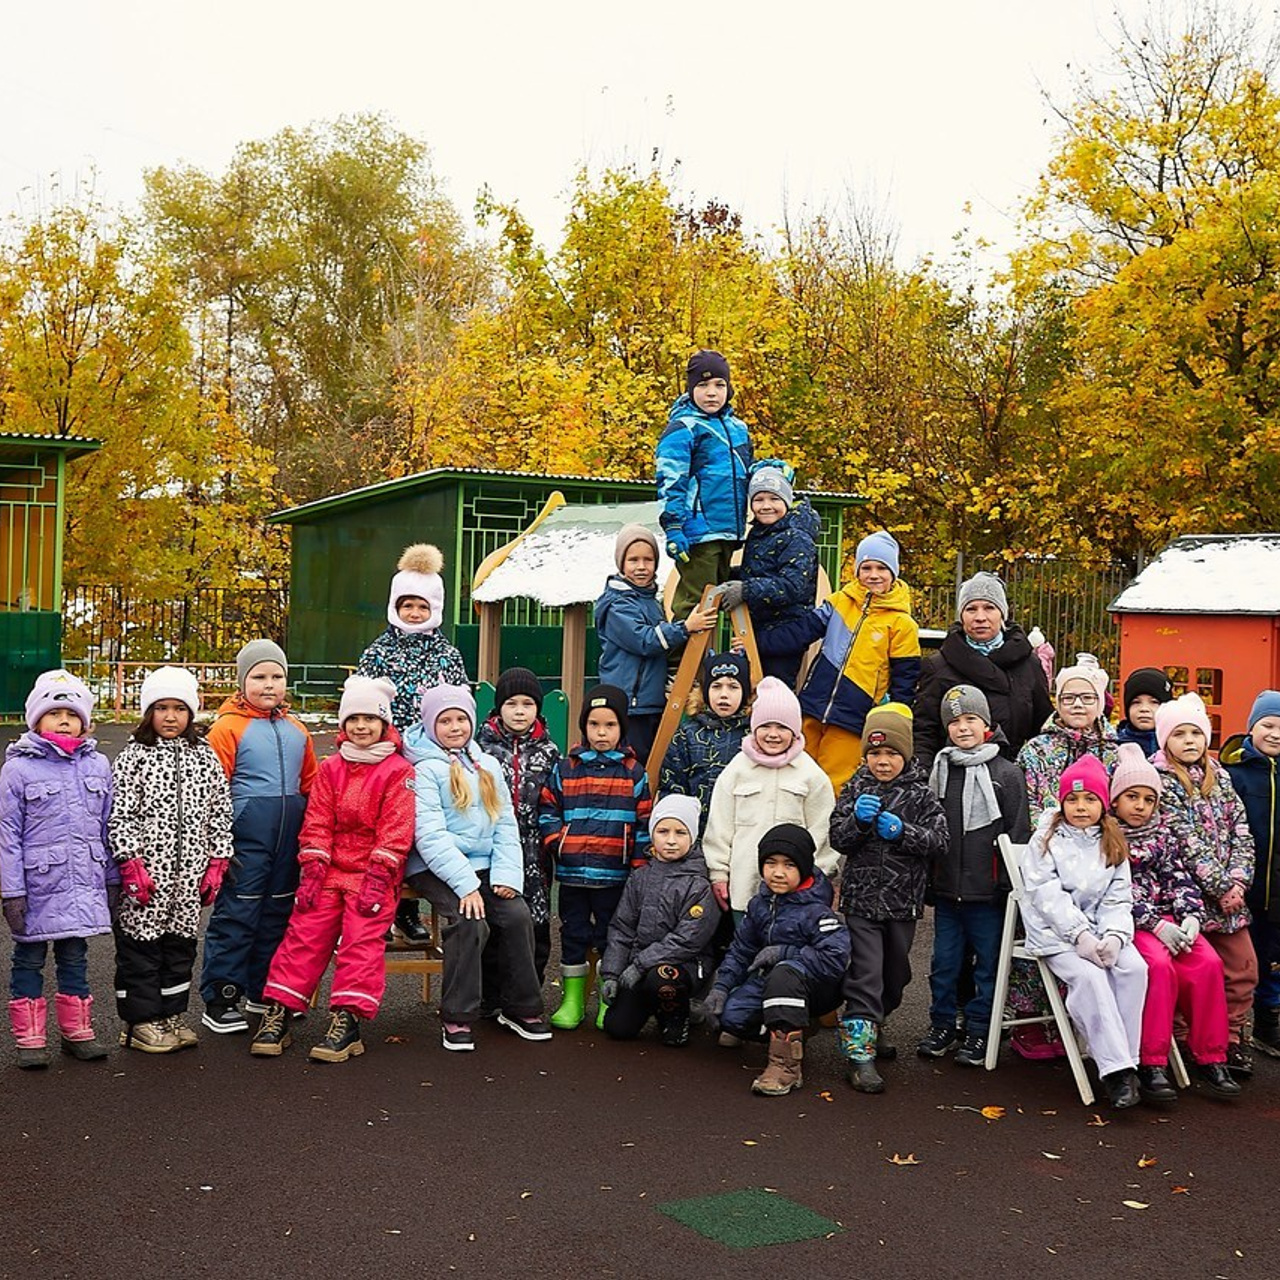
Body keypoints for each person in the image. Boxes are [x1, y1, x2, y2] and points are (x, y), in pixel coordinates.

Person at [250, 676, 415, 1063]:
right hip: (328, 870)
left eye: (369, 719)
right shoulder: (332, 768)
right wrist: (313, 865)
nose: (361, 726)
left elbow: (397, 828)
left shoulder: (398, 771)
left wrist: (380, 873)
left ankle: (348, 1019)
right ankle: (280, 1010)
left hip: (372, 874)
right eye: (353, 719)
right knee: (304, 934)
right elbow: (318, 819)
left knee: (361, 941)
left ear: (384, 723)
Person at [405, 684, 549, 1052]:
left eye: (461, 719)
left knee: (517, 915)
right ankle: (457, 1014)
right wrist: (467, 885)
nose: (455, 727)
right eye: (445, 721)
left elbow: (505, 825)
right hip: (436, 867)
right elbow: (430, 836)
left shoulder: (487, 765)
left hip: (484, 864)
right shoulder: (425, 769)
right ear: (430, 724)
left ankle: (519, 1007)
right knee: (468, 920)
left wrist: (506, 876)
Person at [109, 667, 233, 1053]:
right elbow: (121, 815)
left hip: (189, 879)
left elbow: (220, 811)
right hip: (148, 879)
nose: (170, 717)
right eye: (161, 708)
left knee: (180, 949)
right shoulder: (134, 757)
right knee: (141, 951)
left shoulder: (205, 756)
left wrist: (217, 861)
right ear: (149, 712)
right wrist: (130, 863)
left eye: (179, 709)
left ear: (190, 713)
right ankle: (140, 1022)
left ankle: (170, 1015)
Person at [199, 640, 318, 1034]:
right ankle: (221, 997)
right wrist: (217, 842)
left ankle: (263, 990)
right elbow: (212, 790)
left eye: (277, 676)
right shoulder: (227, 728)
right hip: (244, 841)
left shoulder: (298, 731)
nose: (269, 684)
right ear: (242, 681)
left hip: (288, 842)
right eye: (259, 676)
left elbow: (311, 786)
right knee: (238, 915)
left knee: (277, 915)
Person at [1110, 743, 1239, 1102]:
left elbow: (1178, 876)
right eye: (1132, 797)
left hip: (1171, 916)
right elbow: (1113, 892)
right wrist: (1155, 924)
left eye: (1149, 799)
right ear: (1115, 800)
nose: (1140, 806)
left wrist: (1190, 914)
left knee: (1208, 962)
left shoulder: (1162, 834)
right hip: (1132, 922)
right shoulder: (1106, 837)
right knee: (1158, 967)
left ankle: (1212, 1056)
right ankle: (1152, 1061)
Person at [0, 670, 115, 1068]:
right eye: (54, 713)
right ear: (36, 719)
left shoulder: (98, 765)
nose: (64, 721)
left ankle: (77, 1031)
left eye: (72, 714)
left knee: (75, 957)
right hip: (37, 886)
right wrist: (11, 891)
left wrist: (112, 879)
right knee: (28, 959)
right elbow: (7, 835)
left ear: (85, 721)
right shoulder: (18, 769)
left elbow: (107, 827)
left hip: (81, 885)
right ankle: (30, 1038)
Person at [831, 704, 948, 1092]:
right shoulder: (855, 789)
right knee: (866, 974)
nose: (882, 761)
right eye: (875, 753)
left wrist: (903, 832)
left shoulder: (922, 794)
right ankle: (859, 1054)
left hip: (903, 903)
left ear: (906, 754)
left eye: (892, 753)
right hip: (861, 902)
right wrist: (857, 821)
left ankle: (876, 1023)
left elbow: (939, 841)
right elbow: (838, 839)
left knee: (895, 976)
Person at [1019, 756, 1149, 1109]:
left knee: (1134, 968)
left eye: (1090, 799)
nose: (1080, 807)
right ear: (1061, 802)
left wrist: (1115, 936)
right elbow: (1046, 896)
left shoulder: (1111, 840)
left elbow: (1118, 897)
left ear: (1103, 804)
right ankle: (1116, 1072)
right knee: (1090, 978)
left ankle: (1127, 1059)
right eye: (1072, 799)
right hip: (1057, 934)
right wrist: (1080, 935)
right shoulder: (1046, 839)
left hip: (1101, 929)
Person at [356, 542, 469, 943]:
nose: (415, 614)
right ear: (395, 606)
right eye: (407, 606)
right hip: (386, 753)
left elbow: (459, 702)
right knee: (382, 828)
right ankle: (379, 905)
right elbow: (362, 701)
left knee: (423, 829)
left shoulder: (446, 654)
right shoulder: (379, 651)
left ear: (435, 608)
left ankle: (408, 910)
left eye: (422, 606)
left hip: (430, 756)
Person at [755, 530, 920, 795]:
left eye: (882, 568)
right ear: (857, 571)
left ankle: (831, 823)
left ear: (894, 573)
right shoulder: (839, 603)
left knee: (834, 784)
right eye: (866, 567)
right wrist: (756, 644)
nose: (874, 575)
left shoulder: (902, 623)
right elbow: (800, 633)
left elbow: (905, 679)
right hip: (813, 705)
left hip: (854, 716)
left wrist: (896, 719)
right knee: (795, 774)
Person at [918, 685, 1030, 1066]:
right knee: (944, 965)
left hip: (989, 894)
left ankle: (981, 1028)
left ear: (987, 724)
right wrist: (931, 879)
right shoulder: (940, 770)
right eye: (954, 722)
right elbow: (930, 829)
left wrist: (1007, 884)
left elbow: (1018, 831)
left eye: (970, 719)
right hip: (948, 891)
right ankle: (942, 1024)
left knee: (988, 966)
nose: (962, 728)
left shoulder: (1007, 774)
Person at [701, 824, 850, 1096]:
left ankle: (785, 1067)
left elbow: (835, 960)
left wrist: (784, 953)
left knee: (784, 971)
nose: (778, 872)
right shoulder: (760, 904)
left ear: (803, 867)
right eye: (771, 863)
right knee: (731, 1018)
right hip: (772, 985)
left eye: (789, 865)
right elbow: (741, 949)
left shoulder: (817, 910)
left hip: (817, 987)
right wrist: (721, 988)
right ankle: (795, 1030)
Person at [1153, 692, 1258, 1078]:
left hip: (1230, 900)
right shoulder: (1161, 780)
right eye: (1179, 734)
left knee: (1243, 969)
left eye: (1196, 733)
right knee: (1189, 972)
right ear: (1166, 740)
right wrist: (1220, 886)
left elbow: (1242, 831)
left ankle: (1230, 1038)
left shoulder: (1221, 777)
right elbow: (1183, 840)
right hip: (1187, 896)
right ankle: (1183, 1039)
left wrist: (1239, 882)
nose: (1189, 741)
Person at [538, 685, 652, 1030]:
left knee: (610, 938)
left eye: (610, 725)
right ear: (584, 727)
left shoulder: (634, 772)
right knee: (573, 934)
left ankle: (607, 999)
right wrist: (558, 842)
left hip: (614, 876)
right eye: (594, 724)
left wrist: (638, 866)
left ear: (622, 728)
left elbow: (644, 821)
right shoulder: (566, 768)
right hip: (573, 874)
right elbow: (548, 807)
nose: (601, 733)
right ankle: (572, 1000)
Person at [702, 677, 839, 916]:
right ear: (754, 728)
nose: (773, 734)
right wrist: (718, 873)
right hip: (744, 886)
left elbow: (823, 830)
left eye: (782, 727)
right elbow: (719, 826)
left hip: (798, 891)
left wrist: (820, 874)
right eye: (765, 726)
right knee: (745, 938)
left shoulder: (810, 774)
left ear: (794, 731)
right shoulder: (737, 770)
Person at [598, 794, 718, 1047]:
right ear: (653, 834)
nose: (671, 840)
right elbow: (622, 928)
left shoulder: (699, 884)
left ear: (693, 837)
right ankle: (653, 1004)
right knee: (618, 1027)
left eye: (681, 833)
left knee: (662, 979)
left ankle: (677, 1017)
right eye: (663, 831)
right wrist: (612, 974)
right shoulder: (639, 878)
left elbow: (688, 940)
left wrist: (640, 965)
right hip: (640, 964)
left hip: (684, 966)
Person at [594, 523, 715, 762]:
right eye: (633, 560)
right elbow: (645, 640)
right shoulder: (617, 604)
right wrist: (685, 627)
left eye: (648, 560)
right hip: (630, 704)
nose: (641, 567)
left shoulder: (648, 600)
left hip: (650, 701)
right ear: (621, 563)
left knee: (654, 761)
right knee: (633, 762)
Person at [476, 667, 561, 1003]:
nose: (520, 711)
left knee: (536, 920)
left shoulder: (549, 751)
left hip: (534, 850)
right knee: (494, 919)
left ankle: (527, 994)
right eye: (511, 703)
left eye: (528, 704)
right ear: (499, 707)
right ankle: (490, 996)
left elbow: (555, 800)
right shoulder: (480, 750)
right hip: (492, 848)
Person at [912, 572, 1053, 767]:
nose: (980, 617)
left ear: (1002, 614)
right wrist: (925, 777)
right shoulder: (938, 667)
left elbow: (1043, 727)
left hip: (1013, 772)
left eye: (989, 608)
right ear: (961, 616)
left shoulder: (1029, 664)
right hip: (954, 774)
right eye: (971, 609)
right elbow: (924, 733)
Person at [655, 349, 754, 620]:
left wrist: (769, 471)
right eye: (703, 385)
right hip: (699, 531)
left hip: (730, 531)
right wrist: (673, 526)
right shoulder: (683, 427)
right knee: (696, 603)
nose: (712, 393)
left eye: (719, 385)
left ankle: (709, 648)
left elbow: (745, 472)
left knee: (719, 602)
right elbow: (671, 481)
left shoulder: (739, 429)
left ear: (728, 388)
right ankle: (680, 648)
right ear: (691, 389)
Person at [715, 466, 819, 689]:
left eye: (774, 498)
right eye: (758, 499)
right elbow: (761, 572)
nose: (766, 506)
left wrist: (745, 590)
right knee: (750, 689)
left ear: (787, 501)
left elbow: (792, 585)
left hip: (786, 631)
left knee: (773, 690)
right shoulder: (759, 533)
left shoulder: (797, 537)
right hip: (759, 627)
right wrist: (727, 575)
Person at [1221, 690, 1280, 1059]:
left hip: (1278, 889)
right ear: (1251, 727)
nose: (1275, 734)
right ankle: (1233, 1030)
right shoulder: (1234, 774)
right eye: (1268, 724)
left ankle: (1268, 1024)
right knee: (1241, 962)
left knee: (1274, 958)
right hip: (1244, 886)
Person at [1017, 653, 1120, 820]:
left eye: (1087, 698)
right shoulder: (1036, 751)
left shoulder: (1114, 753)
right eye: (1068, 698)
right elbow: (1025, 802)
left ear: (1099, 703)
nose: (1077, 704)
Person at [658, 649, 753, 829]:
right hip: (697, 830)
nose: (724, 694)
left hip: (742, 828)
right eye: (716, 686)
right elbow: (673, 785)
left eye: (733, 687)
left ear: (745, 692)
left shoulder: (753, 735)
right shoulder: (688, 733)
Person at [1116, 668, 1174, 758]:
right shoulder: (1115, 747)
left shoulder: (1176, 745)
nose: (1144, 709)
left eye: (1154, 702)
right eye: (1136, 702)